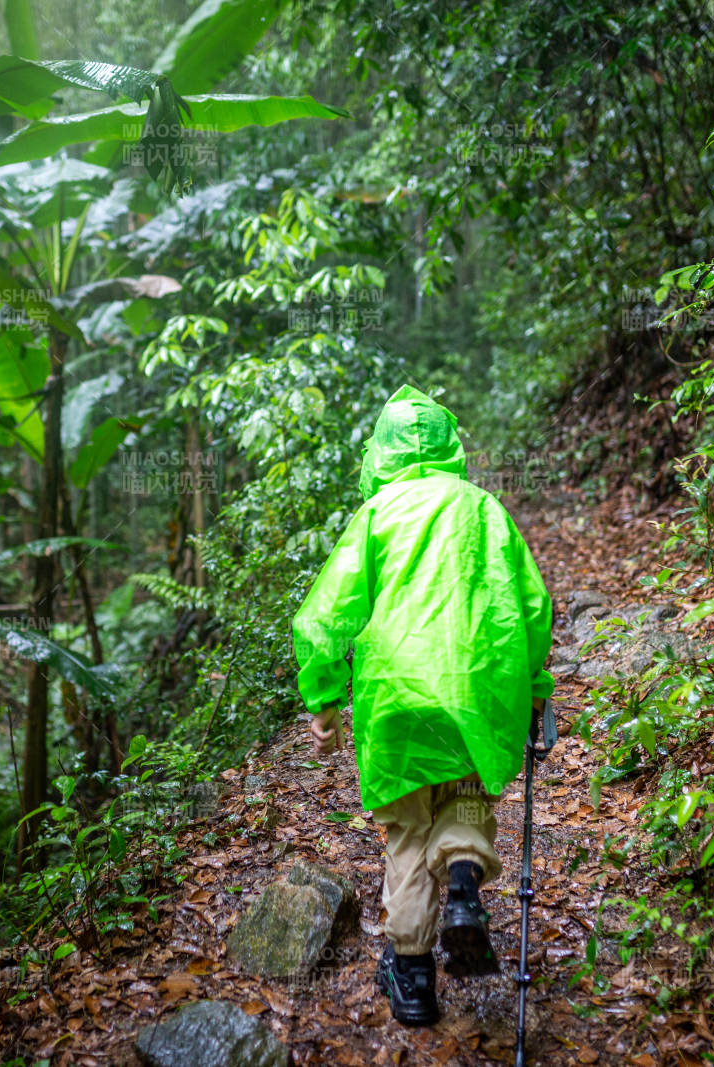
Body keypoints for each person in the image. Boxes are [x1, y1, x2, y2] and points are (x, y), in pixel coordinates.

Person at [291, 384, 554, 1026]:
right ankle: (463, 884)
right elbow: (531, 609)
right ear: (449, 446)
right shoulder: (484, 510)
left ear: (380, 452)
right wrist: (536, 692)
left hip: (396, 702)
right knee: (464, 795)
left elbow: (327, 613)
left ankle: (411, 982)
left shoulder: (377, 513)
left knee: (407, 833)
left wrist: (324, 698)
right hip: (474, 689)